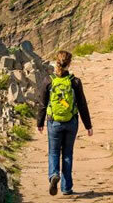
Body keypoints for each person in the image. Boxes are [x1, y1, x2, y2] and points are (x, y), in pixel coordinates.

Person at [37, 50, 93, 196]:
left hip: (54, 122)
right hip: (71, 122)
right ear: (69, 63)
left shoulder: (48, 81)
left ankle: (54, 175)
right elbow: (82, 104)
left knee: (54, 152)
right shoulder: (75, 82)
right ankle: (66, 187)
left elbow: (42, 104)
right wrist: (88, 125)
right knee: (67, 154)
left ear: (56, 62)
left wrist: (40, 122)